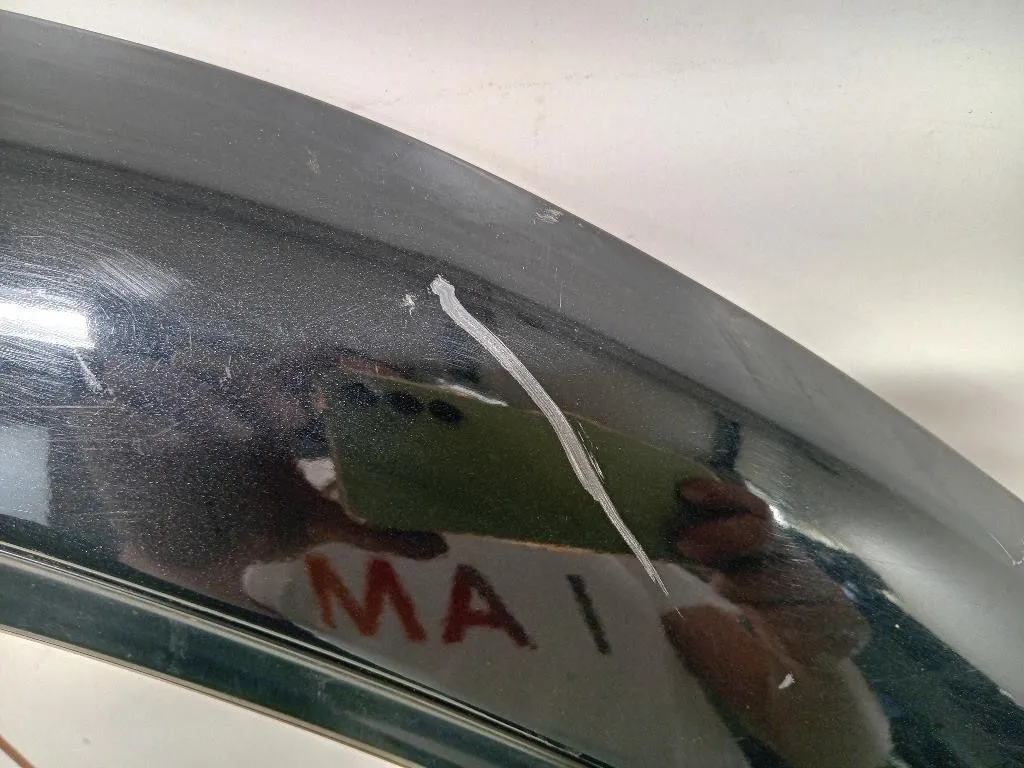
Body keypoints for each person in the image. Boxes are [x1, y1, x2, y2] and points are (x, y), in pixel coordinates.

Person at [53, 328, 892, 767]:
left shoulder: (588, 522)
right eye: (328, 367)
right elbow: (155, 706)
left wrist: (817, 659)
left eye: (388, 354)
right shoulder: (274, 515)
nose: (367, 372)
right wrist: (199, 549)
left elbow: (829, 750)